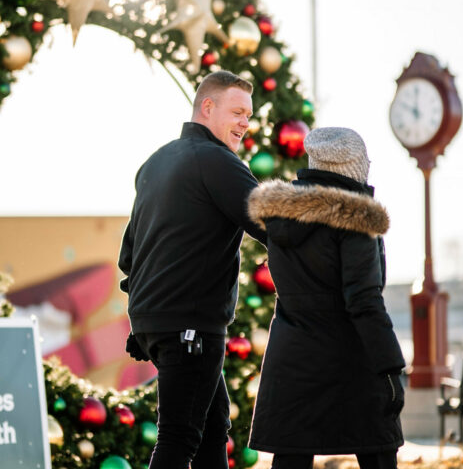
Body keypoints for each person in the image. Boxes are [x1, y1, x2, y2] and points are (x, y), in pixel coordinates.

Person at [118, 70, 267, 469]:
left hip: (157, 323)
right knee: (178, 439)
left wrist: (145, 322)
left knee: (213, 427)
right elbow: (271, 221)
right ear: (207, 106)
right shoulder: (217, 161)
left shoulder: (155, 163)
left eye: (248, 116)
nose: (244, 124)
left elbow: (129, 254)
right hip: (191, 326)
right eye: (237, 112)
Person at [247, 127, 406, 469]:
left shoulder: (280, 214)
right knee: (377, 452)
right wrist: (391, 369)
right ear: (355, 166)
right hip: (354, 365)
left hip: (292, 362)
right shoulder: (356, 217)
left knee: (291, 458)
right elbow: (364, 302)